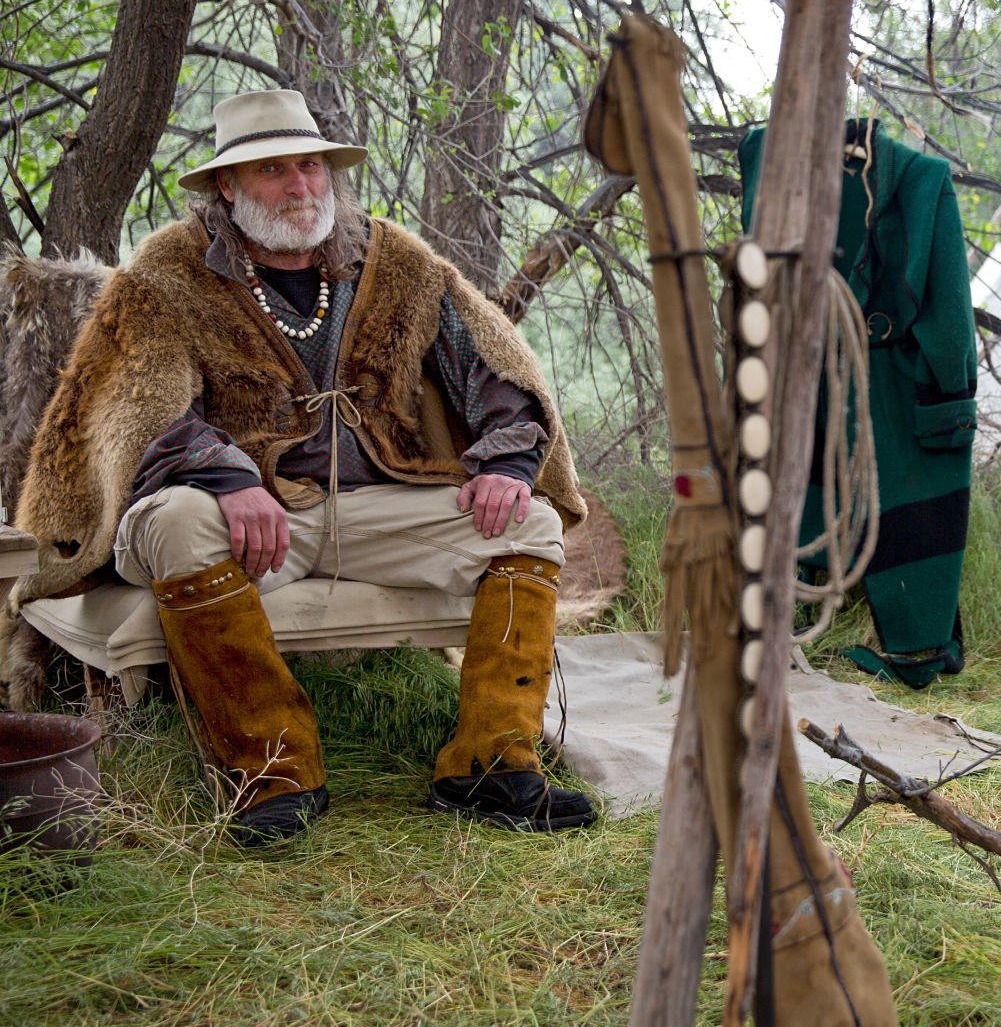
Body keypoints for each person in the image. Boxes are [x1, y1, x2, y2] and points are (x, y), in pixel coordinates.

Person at [14, 89, 597, 843]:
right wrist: (227, 478)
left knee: (531, 523)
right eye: (273, 171)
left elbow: (490, 367)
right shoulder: (170, 271)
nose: (300, 186)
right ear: (227, 187)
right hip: (243, 520)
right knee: (177, 518)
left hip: (374, 507)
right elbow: (136, 409)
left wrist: (507, 463)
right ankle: (270, 771)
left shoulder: (393, 260)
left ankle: (492, 764)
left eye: (312, 166)